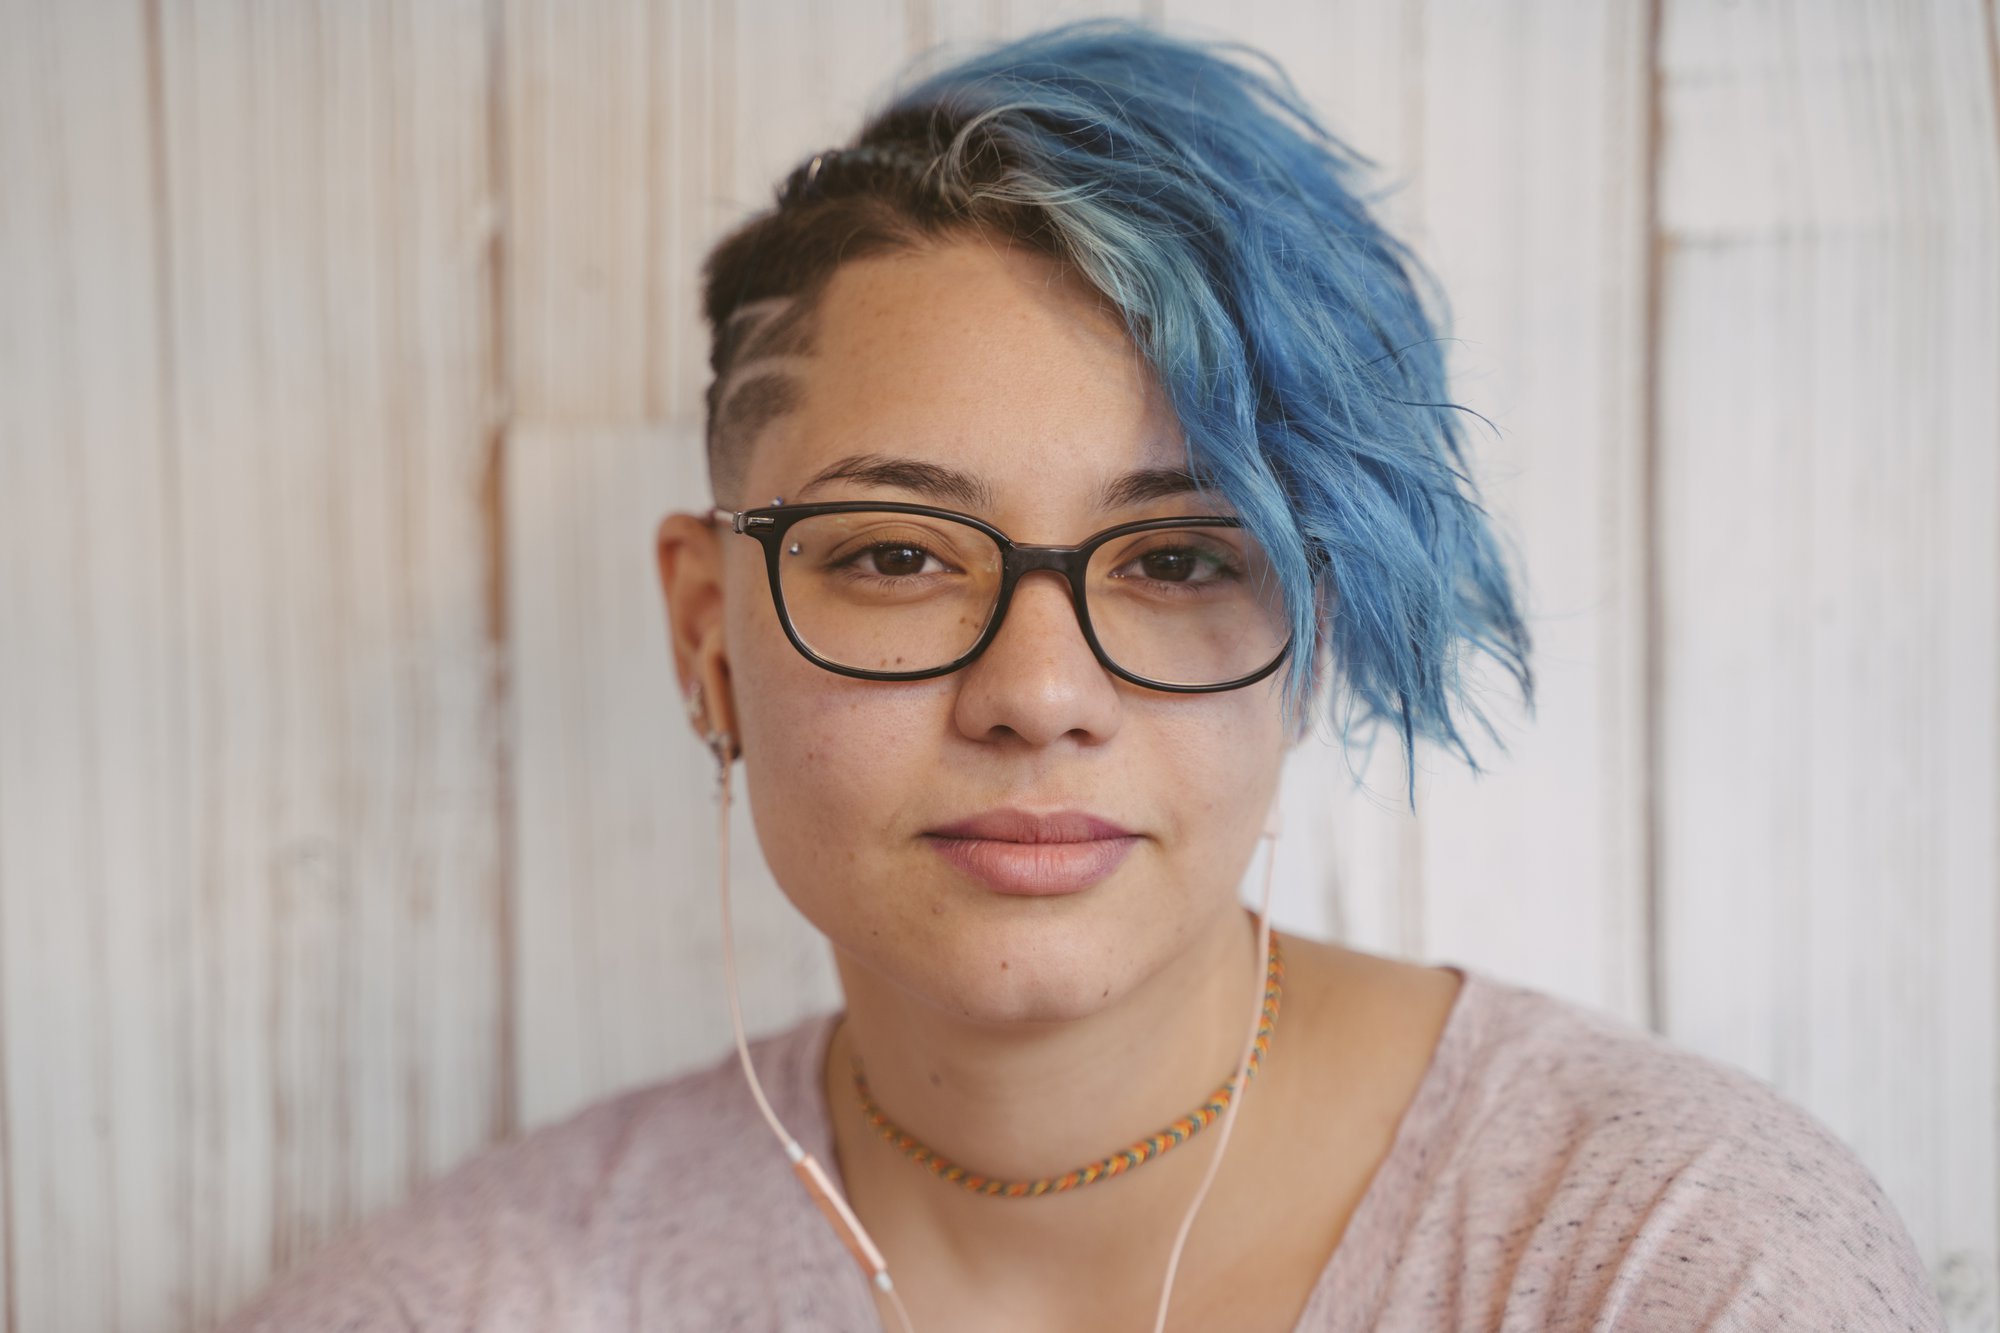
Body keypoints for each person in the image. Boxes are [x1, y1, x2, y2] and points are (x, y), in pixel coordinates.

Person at [221, 18, 1944, 1333]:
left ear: (1318, 616)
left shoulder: (1668, 1257)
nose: (1039, 691)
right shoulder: (460, 1301)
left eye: (1182, 557)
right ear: (706, 632)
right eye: (896, 552)